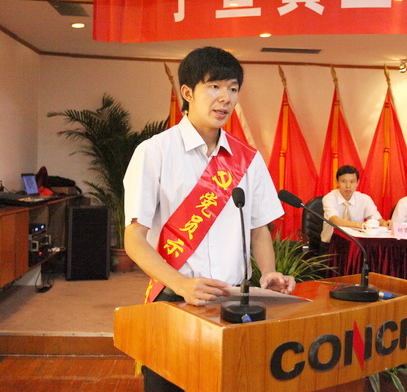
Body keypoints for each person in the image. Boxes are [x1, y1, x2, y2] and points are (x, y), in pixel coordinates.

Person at [123, 46, 296, 392]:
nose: (225, 98)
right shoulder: (154, 152)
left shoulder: (247, 159)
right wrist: (181, 284)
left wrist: (268, 271)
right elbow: (134, 239)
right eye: (214, 86)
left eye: (233, 88)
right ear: (187, 93)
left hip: (235, 301)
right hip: (175, 299)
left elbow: (259, 228)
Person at [321, 165, 391, 245]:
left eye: (352, 182)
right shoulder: (329, 198)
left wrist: (384, 223)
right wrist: (359, 225)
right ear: (337, 182)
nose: (348, 186)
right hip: (330, 245)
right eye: (343, 181)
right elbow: (334, 220)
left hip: (356, 245)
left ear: (357, 183)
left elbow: (376, 219)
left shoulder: (364, 199)